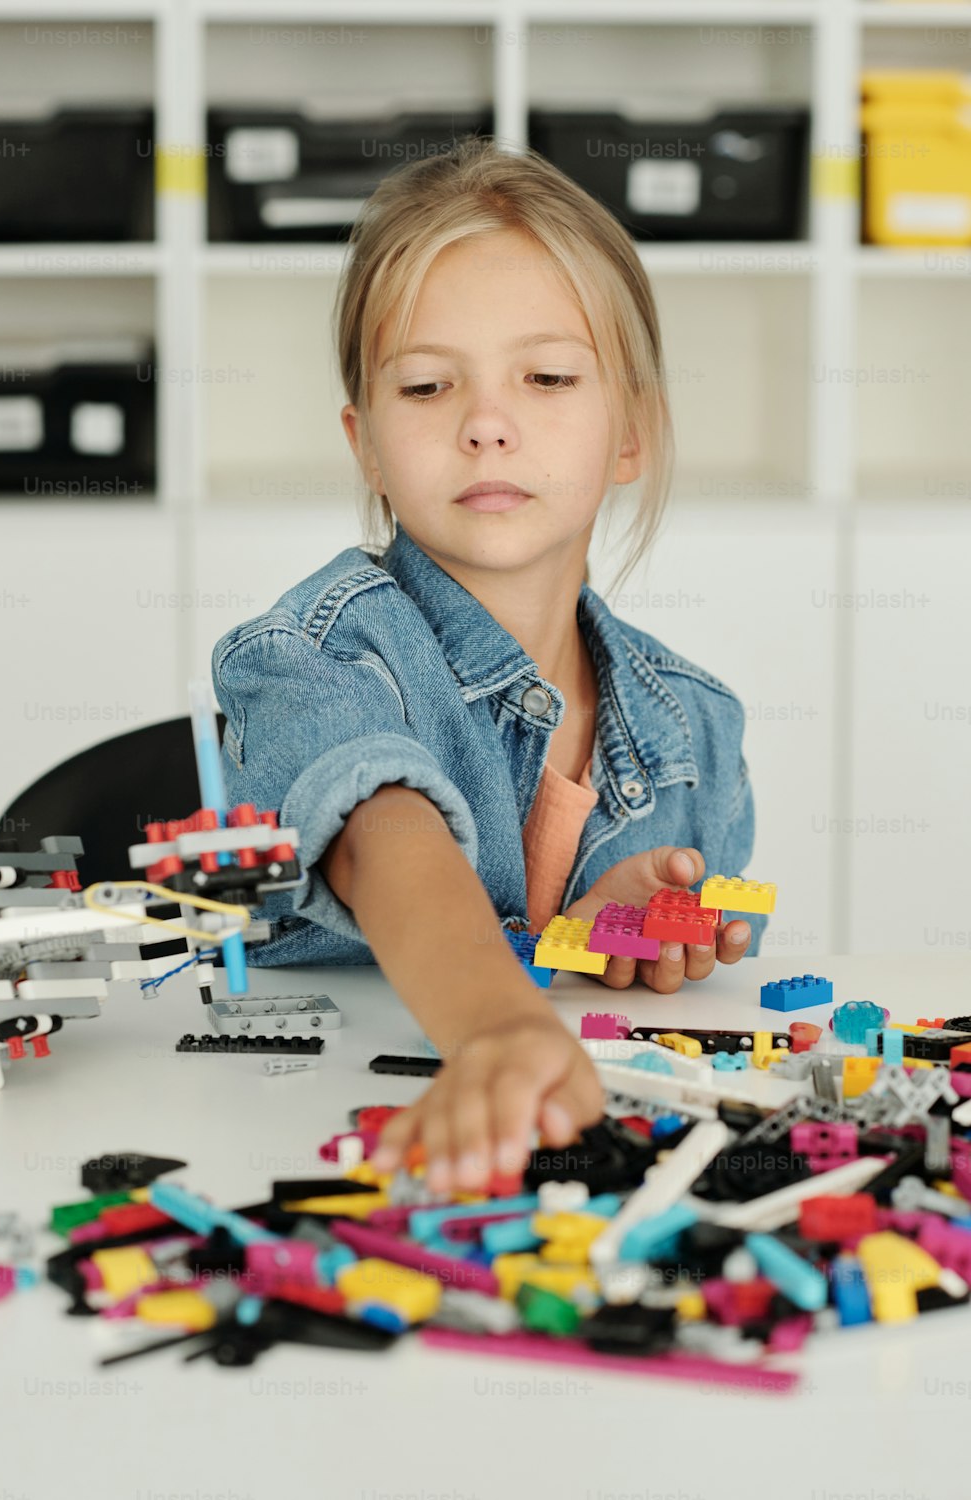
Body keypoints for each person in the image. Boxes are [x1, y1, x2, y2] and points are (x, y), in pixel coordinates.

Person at [211, 135, 766, 1198]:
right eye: (424, 388)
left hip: (568, 1195)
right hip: (307, 1165)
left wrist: (620, 933)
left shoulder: (696, 729)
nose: (485, 425)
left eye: (548, 376)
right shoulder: (309, 658)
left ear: (630, 433)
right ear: (365, 443)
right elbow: (385, 838)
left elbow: (682, 984)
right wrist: (503, 1029)